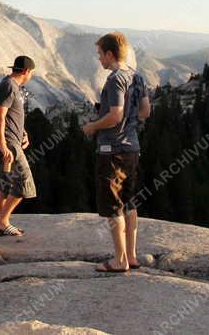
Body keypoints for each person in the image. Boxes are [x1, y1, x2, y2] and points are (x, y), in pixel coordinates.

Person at [81, 32, 151, 273]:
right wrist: (128, 121)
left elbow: (115, 115)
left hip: (112, 150)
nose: (99, 59)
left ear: (110, 54)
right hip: (132, 147)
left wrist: (92, 126)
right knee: (130, 203)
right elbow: (145, 111)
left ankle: (119, 260)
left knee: (114, 205)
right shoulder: (137, 76)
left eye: (100, 54)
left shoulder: (114, 79)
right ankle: (131, 256)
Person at [0, 55, 37, 237]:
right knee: (25, 183)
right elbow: (0, 116)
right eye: (31, 73)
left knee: (7, 185)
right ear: (26, 71)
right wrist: (3, 145)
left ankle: (2, 224)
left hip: (13, 140)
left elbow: (13, 116)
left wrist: (23, 133)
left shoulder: (15, 87)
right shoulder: (8, 86)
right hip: (9, 144)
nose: (31, 76)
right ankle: (2, 221)